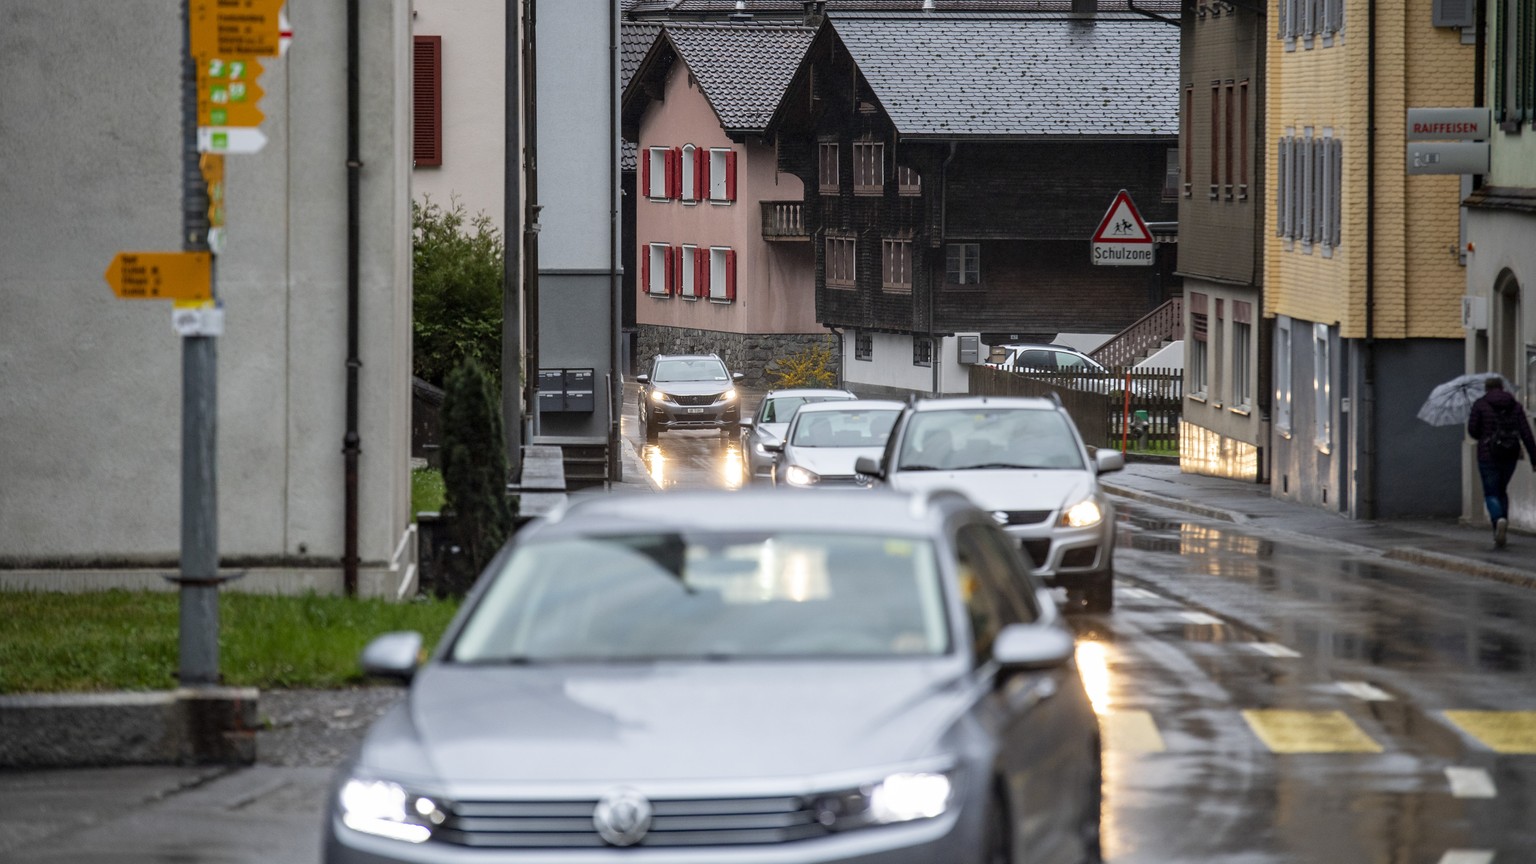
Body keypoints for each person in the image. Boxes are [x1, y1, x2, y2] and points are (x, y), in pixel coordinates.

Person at [1467, 377, 1536, 548]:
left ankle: (1498, 520)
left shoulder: (1480, 404)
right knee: (1502, 490)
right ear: (1502, 387)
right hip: (1510, 454)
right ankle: (1501, 527)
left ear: (1486, 388)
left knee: (1491, 493)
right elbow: (1526, 433)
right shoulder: (1515, 405)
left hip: (1487, 455)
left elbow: (1473, 432)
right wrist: (1534, 458)